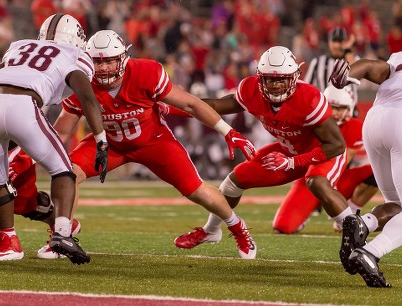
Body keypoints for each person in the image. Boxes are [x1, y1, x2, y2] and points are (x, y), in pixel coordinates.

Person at [53, 29, 258, 260]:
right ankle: (62, 234)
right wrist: (30, 154)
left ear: (123, 58)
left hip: (153, 142)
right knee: (66, 174)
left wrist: (228, 131)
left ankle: (238, 227)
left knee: (197, 191)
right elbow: (61, 131)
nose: (103, 68)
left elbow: (190, 104)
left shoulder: (146, 72)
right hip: (109, 143)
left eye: (109, 61)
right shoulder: (80, 78)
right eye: (97, 62)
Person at [0, 13, 108, 270]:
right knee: (63, 170)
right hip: (24, 107)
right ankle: (62, 232)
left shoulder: (20, 46)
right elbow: (88, 97)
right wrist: (101, 139)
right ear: (76, 38)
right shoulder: (74, 55)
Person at [174, 46, 354, 256]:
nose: (276, 85)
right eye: (269, 79)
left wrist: (293, 163)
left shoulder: (309, 99)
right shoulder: (251, 90)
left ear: (294, 77)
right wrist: (176, 106)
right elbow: (215, 104)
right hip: (288, 150)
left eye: (281, 80)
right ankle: (211, 230)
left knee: (316, 182)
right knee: (234, 181)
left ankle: (355, 238)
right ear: (259, 78)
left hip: (321, 152)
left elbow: (337, 145)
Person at [330, 53, 402, 287]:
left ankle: (365, 223)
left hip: (374, 121)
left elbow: (372, 66)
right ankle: (370, 252)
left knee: (395, 204)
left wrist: (346, 75)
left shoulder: (400, 57)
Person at [272, 84, 378, 234]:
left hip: (335, 178)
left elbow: (341, 163)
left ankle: (350, 214)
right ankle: (309, 210)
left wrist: (326, 189)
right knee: (282, 227)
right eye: (331, 106)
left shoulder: (355, 128)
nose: (334, 112)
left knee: (376, 172)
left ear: (349, 108)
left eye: (340, 108)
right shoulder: (310, 123)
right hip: (308, 178)